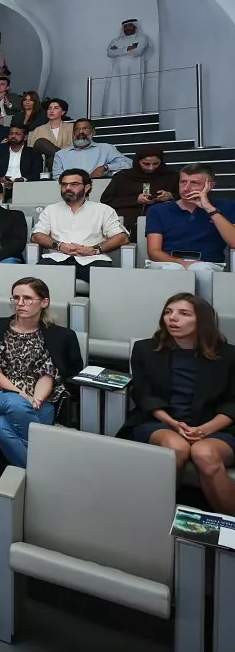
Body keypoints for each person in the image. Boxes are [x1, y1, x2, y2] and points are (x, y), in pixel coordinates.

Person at [119, 294, 235, 513]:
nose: (173, 318)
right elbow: (144, 395)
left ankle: (228, 529)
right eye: (168, 312)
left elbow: (232, 402)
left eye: (183, 314)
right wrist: (173, 423)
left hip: (215, 426)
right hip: (162, 422)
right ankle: (154, 515)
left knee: (205, 454)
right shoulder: (145, 349)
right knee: (176, 448)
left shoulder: (229, 355)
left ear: (202, 320)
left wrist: (204, 430)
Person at [0, 278, 81, 466]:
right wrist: (22, 395)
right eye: (16, 298)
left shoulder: (59, 336)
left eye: (27, 298)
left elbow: (47, 375)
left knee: (0, 426)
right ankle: (48, 463)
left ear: (44, 302)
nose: (20, 303)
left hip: (41, 402)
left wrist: (36, 399)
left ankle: (36, 470)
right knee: (15, 403)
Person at [145, 163, 235, 301]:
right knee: (174, 270)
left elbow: (233, 242)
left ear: (210, 185)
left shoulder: (226, 207)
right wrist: (182, 264)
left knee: (201, 270)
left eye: (194, 183)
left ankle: (204, 316)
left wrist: (209, 209)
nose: (186, 188)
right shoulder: (158, 210)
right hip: (168, 261)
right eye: (183, 182)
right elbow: (154, 251)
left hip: (207, 263)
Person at [32, 169, 129, 283]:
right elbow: (36, 235)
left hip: (93, 260)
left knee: (110, 281)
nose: (67, 188)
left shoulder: (103, 210)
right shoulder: (51, 210)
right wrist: (59, 246)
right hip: (57, 259)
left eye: (74, 184)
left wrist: (94, 249)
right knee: (35, 282)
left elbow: (122, 237)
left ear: (86, 187)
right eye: (64, 184)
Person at [99, 144, 178, 231]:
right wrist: (135, 200)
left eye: (156, 163)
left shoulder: (170, 176)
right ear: (138, 161)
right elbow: (106, 200)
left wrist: (170, 196)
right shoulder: (123, 177)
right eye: (146, 164)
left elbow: (183, 196)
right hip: (128, 222)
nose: (151, 168)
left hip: (163, 221)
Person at [52, 119, 133, 179]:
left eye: (85, 128)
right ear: (73, 134)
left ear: (93, 132)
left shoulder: (106, 149)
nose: (81, 132)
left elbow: (129, 163)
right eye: (77, 129)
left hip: (100, 189)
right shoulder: (61, 154)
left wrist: (105, 167)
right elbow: (57, 178)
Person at [102, 19, 152, 116]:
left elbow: (138, 51)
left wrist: (119, 51)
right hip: (116, 73)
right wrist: (127, 49)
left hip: (134, 72)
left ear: (135, 27)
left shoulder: (141, 38)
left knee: (132, 94)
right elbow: (110, 52)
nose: (128, 28)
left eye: (130, 26)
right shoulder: (116, 40)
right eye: (125, 26)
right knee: (114, 94)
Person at [0, 125, 43, 192]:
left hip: (25, 187)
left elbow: (37, 174)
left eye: (17, 134)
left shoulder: (33, 153)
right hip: (1, 187)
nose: (13, 136)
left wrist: (22, 180)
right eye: (11, 134)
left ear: (25, 137)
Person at [28, 98, 73, 171]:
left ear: (63, 112)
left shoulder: (71, 127)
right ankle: (63, 158)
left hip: (60, 161)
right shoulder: (39, 129)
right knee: (41, 142)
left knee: (53, 160)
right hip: (45, 162)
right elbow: (32, 149)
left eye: (56, 108)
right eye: (49, 108)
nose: (51, 111)